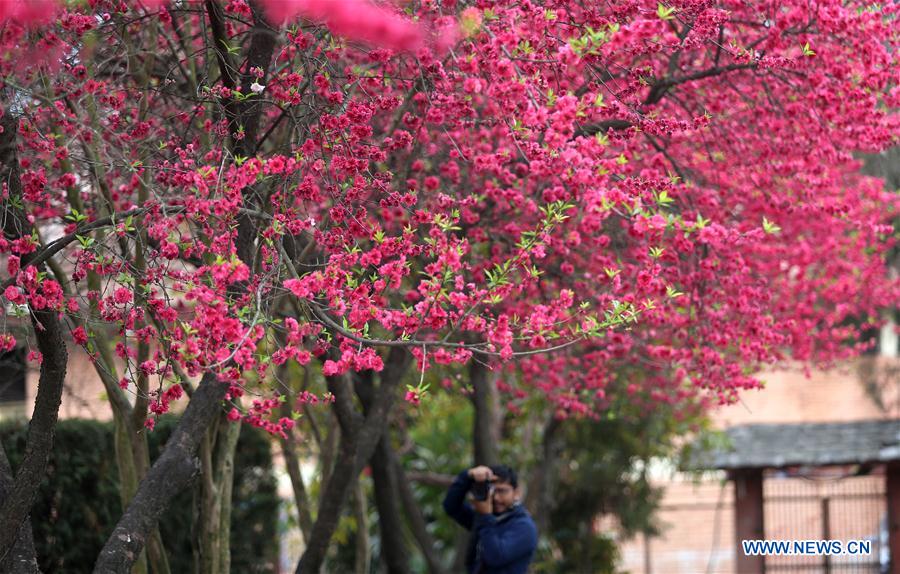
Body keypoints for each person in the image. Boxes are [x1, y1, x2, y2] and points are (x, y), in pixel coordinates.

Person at [442, 464, 538, 573]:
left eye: (502, 491)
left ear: (516, 493)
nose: (496, 498)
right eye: (491, 490)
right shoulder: (486, 518)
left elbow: (495, 557)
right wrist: (468, 476)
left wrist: (485, 516)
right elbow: (451, 506)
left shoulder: (524, 526)